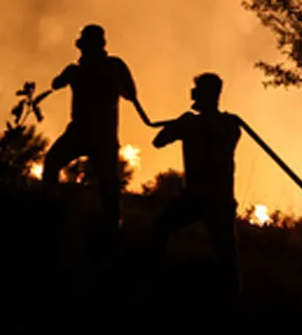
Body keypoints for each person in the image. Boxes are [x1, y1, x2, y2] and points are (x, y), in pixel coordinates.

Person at [41, 23, 151, 239]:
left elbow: (56, 84)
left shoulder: (101, 68)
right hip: (98, 135)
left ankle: (54, 212)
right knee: (107, 183)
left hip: (90, 134)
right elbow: (130, 93)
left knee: (57, 163)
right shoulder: (108, 67)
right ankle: (110, 225)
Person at [149, 72, 245, 297]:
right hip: (218, 199)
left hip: (198, 199)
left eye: (196, 90)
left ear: (202, 95)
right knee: (227, 257)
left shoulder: (192, 125)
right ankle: (233, 300)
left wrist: (179, 125)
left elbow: (158, 142)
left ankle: (155, 281)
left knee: (161, 229)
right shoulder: (230, 125)